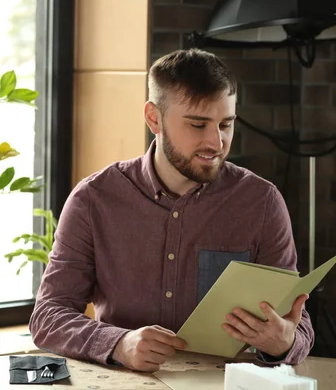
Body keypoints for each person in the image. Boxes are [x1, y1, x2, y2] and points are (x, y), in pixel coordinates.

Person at [29, 49, 314, 372]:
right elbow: (49, 315)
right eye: (198, 124)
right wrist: (118, 343)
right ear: (154, 118)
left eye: (226, 124)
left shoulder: (261, 202)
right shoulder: (94, 199)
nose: (216, 142)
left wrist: (283, 344)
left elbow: (297, 327)